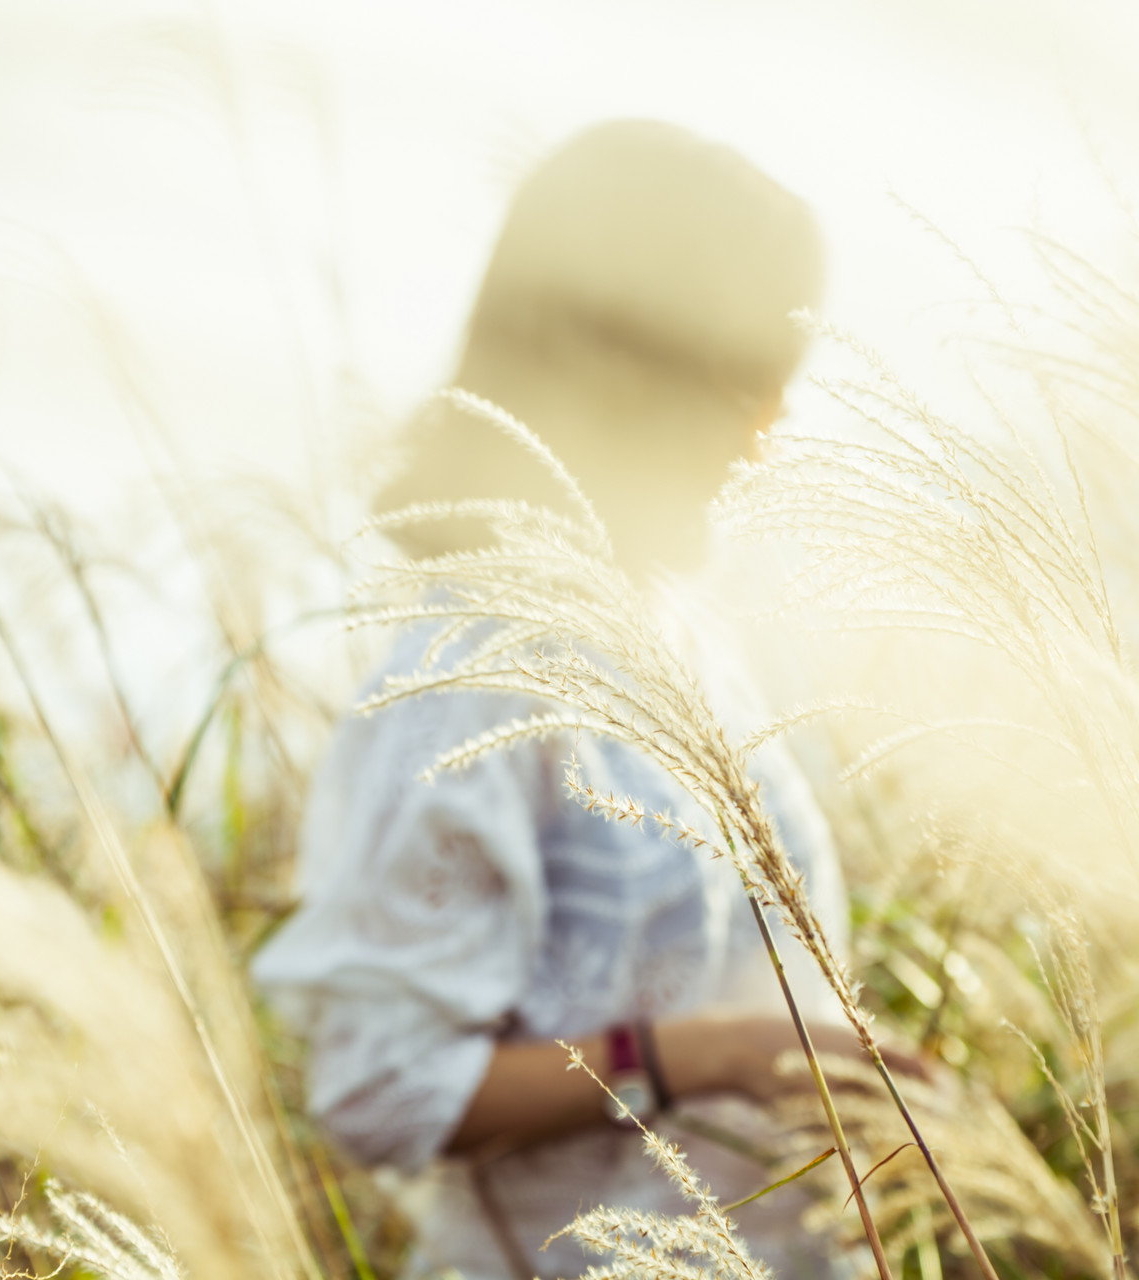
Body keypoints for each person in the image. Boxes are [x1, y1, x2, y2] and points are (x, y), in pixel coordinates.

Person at [252, 120, 891, 1280]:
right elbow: (380, 1088)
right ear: (630, 369)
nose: (776, 420)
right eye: (749, 373)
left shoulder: (676, 634)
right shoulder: (470, 677)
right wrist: (705, 1054)